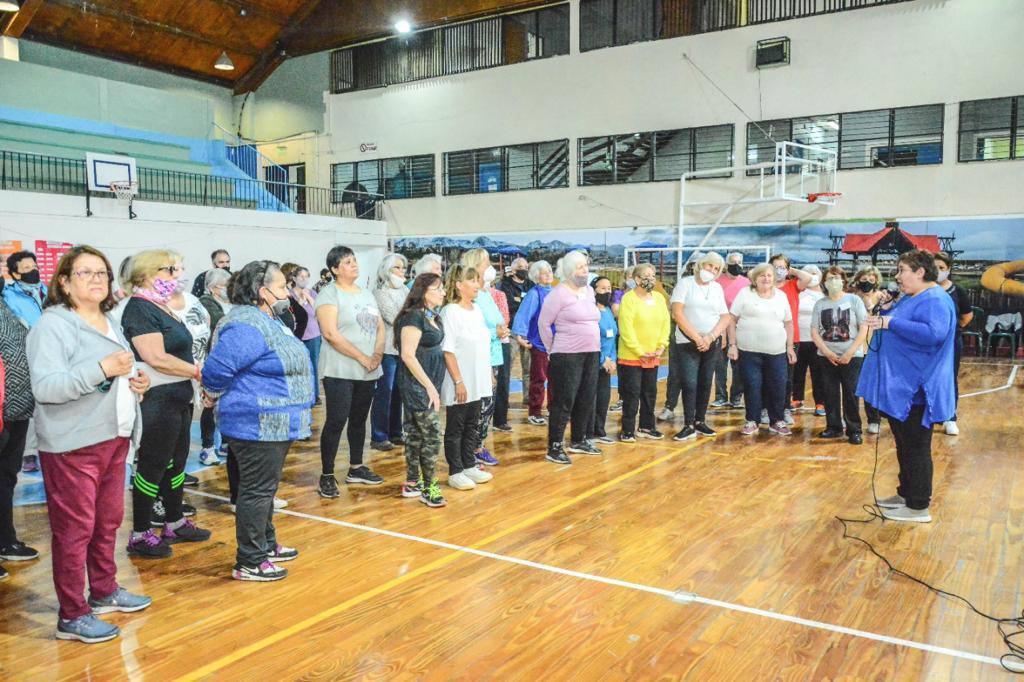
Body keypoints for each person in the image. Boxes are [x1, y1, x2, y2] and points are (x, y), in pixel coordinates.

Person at [26, 245, 152, 643]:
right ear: (63, 281)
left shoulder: (110, 320)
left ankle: (104, 591)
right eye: (85, 273)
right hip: (72, 444)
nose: (97, 279)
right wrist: (101, 368)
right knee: (74, 530)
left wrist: (137, 384)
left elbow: (118, 372)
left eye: (102, 273)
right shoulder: (53, 325)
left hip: (113, 438)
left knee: (108, 522)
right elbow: (46, 387)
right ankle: (72, 614)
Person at [201, 260, 313, 581]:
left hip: (273, 421)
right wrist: (210, 392)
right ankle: (250, 560)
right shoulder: (247, 323)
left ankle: (266, 544)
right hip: (257, 421)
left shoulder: (269, 319)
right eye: (281, 288)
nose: (287, 294)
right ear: (263, 293)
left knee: (265, 488)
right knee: (256, 491)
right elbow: (218, 368)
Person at [121, 250, 211, 558]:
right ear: (147, 274)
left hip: (178, 396)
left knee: (177, 463)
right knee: (153, 465)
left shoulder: (163, 307)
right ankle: (141, 531)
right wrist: (198, 372)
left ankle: (174, 520)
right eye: (169, 270)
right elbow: (156, 357)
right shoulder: (139, 309)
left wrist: (193, 376)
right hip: (157, 400)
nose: (177, 275)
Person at [857, 249, 957, 523]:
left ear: (920, 272)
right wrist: (889, 308)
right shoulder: (916, 296)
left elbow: (933, 334)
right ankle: (906, 494)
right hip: (905, 388)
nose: (897, 276)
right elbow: (904, 321)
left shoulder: (935, 299)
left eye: (902, 270)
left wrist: (891, 322)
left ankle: (918, 506)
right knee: (904, 446)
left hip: (918, 389)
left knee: (915, 448)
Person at [315, 246, 385, 498]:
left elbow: (379, 326)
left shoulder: (366, 293)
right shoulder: (328, 294)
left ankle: (356, 467)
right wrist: (362, 357)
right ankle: (327, 475)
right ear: (334, 269)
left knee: (359, 419)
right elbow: (331, 334)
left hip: (368, 369)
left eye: (354, 260)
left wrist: (376, 354)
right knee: (336, 421)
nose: (354, 265)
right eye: (346, 262)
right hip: (340, 370)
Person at [538, 250, 601, 463]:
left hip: (591, 353)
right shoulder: (558, 294)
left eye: (586, 266)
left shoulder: (590, 292)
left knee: (586, 397)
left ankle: (578, 440)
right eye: (580, 267)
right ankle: (554, 446)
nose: (585, 270)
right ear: (569, 271)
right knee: (564, 401)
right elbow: (544, 324)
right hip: (566, 355)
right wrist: (551, 349)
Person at [439, 265, 494, 491]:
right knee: (456, 426)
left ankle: (470, 464)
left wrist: (488, 372)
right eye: (471, 281)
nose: (477, 285)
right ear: (459, 285)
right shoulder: (450, 312)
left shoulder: (477, 310)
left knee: (473, 424)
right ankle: (456, 470)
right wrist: (458, 381)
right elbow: (448, 350)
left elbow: (483, 345)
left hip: (478, 378)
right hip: (460, 380)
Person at [394, 273, 447, 507]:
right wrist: (429, 388)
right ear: (424, 291)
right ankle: (429, 487)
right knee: (432, 434)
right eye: (438, 288)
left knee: (415, 434)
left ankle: (413, 481)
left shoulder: (433, 316)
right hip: (417, 385)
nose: (443, 292)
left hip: (429, 383)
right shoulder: (413, 318)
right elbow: (407, 355)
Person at [669, 252, 731, 441]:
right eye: (709, 266)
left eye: (716, 268)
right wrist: (697, 338)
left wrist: (711, 337)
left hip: (711, 343)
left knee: (705, 382)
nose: (711, 270)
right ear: (701, 265)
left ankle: (700, 421)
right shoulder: (685, 284)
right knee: (689, 382)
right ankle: (688, 424)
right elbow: (677, 314)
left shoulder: (717, 288)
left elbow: (725, 316)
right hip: (687, 343)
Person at [729, 262, 796, 436]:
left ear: (774, 278)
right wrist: (732, 345)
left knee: (778, 386)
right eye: (762, 275)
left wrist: (790, 347)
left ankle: (777, 420)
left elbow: (788, 322)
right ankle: (752, 420)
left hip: (776, 352)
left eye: (769, 275)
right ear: (755, 278)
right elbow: (731, 320)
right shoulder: (745, 293)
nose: (766, 279)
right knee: (752, 385)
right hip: (748, 351)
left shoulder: (781, 296)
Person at [0, 279, 39, 575]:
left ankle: (5, 541)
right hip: (2, 410)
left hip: (15, 409)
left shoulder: (7, 305)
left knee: (5, 478)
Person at [810, 267, 869, 445]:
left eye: (836, 278)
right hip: (826, 356)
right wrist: (827, 352)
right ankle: (833, 427)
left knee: (851, 393)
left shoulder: (854, 300)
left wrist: (850, 352)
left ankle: (854, 430)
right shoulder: (820, 303)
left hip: (852, 355)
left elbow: (864, 327)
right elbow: (814, 331)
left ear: (843, 280)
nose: (833, 281)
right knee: (830, 392)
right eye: (829, 278)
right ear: (824, 282)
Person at [460, 248, 507, 466]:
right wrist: (493, 333)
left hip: (494, 355)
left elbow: (495, 319)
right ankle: (472, 449)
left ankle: (479, 445)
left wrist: (500, 330)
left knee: (488, 407)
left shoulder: (486, 294)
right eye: (486, 263)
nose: (491, 268)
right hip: (480, 359)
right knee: (478, 408)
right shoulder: (472, 297)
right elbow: (469, 329)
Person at [167, 254, 213, 473]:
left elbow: (206, 327)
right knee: (166, 439)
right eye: (173, 269)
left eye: (181, 268)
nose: (179, 273)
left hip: (194, 375)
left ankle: (177, 478)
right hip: (168, 379)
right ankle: (161, 494)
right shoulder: (153, 303)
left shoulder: (192, 300)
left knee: (182, 438)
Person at [616, 264, 670, 442]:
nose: (651, 279)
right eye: (646, 276)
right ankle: (628, 430)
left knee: (650, 392)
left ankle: (647, 426)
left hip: (653, 356)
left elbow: (665, 323)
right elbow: (626, 328)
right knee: (631, 394)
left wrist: (662, 345)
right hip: (632, 356)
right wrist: (639, 351)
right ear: (637, 279)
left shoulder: (659, 299)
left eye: (653, 275)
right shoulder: (628, 299)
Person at [3, 250, 46, 473]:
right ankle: (29, 454)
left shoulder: (48, 291)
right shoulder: (9, 296)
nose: (33, 271)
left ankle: (48, 448)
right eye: (26, 269)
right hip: (27, 354)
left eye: (34, 266)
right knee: (28, 404)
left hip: (52, 352)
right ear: (16, 275)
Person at [768, 253, 814, 426]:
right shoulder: (765, 285)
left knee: (787, 377)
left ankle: (784, 409)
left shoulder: (793, 285)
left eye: (782, 267)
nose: (778, 271)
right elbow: (752, 275)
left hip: (790, 338)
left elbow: (809, 278)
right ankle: (766, 409)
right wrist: (770, 272)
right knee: (768, 376)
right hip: (768, 337)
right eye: (775, 267)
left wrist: (789, 270)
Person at [370, 253, 409, 451]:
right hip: (387, 349)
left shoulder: (404, 290)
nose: (402, 271)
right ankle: (379, 435)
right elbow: (395, 316)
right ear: (387, 270)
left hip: (404, 348)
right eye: (397, 268)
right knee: (385, 392)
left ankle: (396, 432)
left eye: (403, 268)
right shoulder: (380, 292)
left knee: (399, 393)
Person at [934, 252, 974, 436]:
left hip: (950, 343)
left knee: (949, 378)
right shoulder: (925, 290)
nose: (938, 271)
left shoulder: (958, 291)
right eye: (934, 267)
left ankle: (950, 417)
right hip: (927, 343)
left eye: (941, 268)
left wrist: (951, 329)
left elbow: (967, 316)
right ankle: (931, 414)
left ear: (948, 269)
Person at [511, 260, 554, 426]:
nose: (548, 274)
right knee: (538, 378)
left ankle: (553, 408)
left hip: (556, 343)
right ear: (537, 277)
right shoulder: (534, 293)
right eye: (544, 272)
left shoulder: (556, 292)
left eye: (550, 271)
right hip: (540, 342)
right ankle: (534, 411)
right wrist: (520, 335)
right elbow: (523, 315)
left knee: (556, 379)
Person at [197, 268, 233, 465]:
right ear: (213, 288)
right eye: (224, 286)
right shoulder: (206, 304)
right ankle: (207, 447)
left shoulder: (230, 303)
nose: (228, 290)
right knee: (210, 404)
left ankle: (226, 443)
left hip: (230, 360)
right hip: (213, 359)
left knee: (228, 403)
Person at [852, 265, 890, 434]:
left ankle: (874, 419)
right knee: (853, 384)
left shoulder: (882, 297)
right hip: (855, 345)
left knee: (872, 384)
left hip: (875, 344)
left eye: (871, 280)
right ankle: (852, 421)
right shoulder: (852, 297)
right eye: (864, 279)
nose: (867, 283)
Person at [712, 252, 750, 409]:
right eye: (733, 262)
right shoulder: (717, 282)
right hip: (720, 328)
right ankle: (720, 396)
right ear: (726, 265)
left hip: (740, 329)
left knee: (738, 365)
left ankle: (736, 397)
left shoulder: (747, 283)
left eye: (739, 262)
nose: (737, 265)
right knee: (720, 365)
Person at [586, 276, 617, 444]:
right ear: (594, 290)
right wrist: (601, 360)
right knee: (590, 399)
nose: (607, 291)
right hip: (592, 362)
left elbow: (612, 339)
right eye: (603, 288)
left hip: (607, 364)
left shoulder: (609, 311)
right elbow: (591, 338)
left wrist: (612, 359)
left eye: (609, 288)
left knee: (604, 398)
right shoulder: (591, 311)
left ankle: (600, 431)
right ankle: (587, 434)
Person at [285, 266, 322, 406]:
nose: (304, 279)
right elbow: (292, 312)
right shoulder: (289, 294)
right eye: (301, 276)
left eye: (306, 276)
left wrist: (308, 297)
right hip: (297, 335)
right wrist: (300, 300)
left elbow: (319, 311)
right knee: (298, 365)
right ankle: (299, 394)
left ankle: (315, 395)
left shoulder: (312, 292)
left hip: (313, 333)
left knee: (313, 365)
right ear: (294, 278)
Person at [793, 264, 826, 416]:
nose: (812, 276)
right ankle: (797, 398)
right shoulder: (798, 292)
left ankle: (820, 402)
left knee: (818, 373)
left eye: (815, 273)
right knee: (797, 371)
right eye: (808, 273)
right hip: (799, 338)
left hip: (818, 341)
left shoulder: (825, 295)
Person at [498, 256, 534, 393]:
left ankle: (528, 397)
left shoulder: (531, 285)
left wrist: (520, 301)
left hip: (527, 331)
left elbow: (531, 305)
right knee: (508, 367)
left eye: (526, 267)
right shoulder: (504, 285)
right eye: (520, 268)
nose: (523, 270)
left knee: (529, 368)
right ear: (512, 270)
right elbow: (509, 305)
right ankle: (503, 398)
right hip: (511, 331)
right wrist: (523, 302)